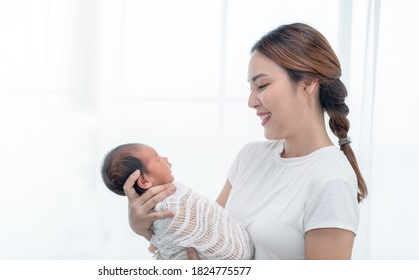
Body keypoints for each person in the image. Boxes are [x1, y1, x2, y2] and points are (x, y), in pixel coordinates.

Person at [122, 23, 368, 260]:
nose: (251, 101)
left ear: (307, 83)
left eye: (262, 85)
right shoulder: (250, 157)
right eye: (251, 87)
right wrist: (143, 226)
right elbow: (207, 236)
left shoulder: (331, 179)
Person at [101, 143, 255, 260]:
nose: (166, 159)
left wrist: (148, 234)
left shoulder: (176, 195)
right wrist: (144, 231)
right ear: (143, 181)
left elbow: (209, 216)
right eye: (158, 159)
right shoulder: (166, 209)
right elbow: (174, 234)